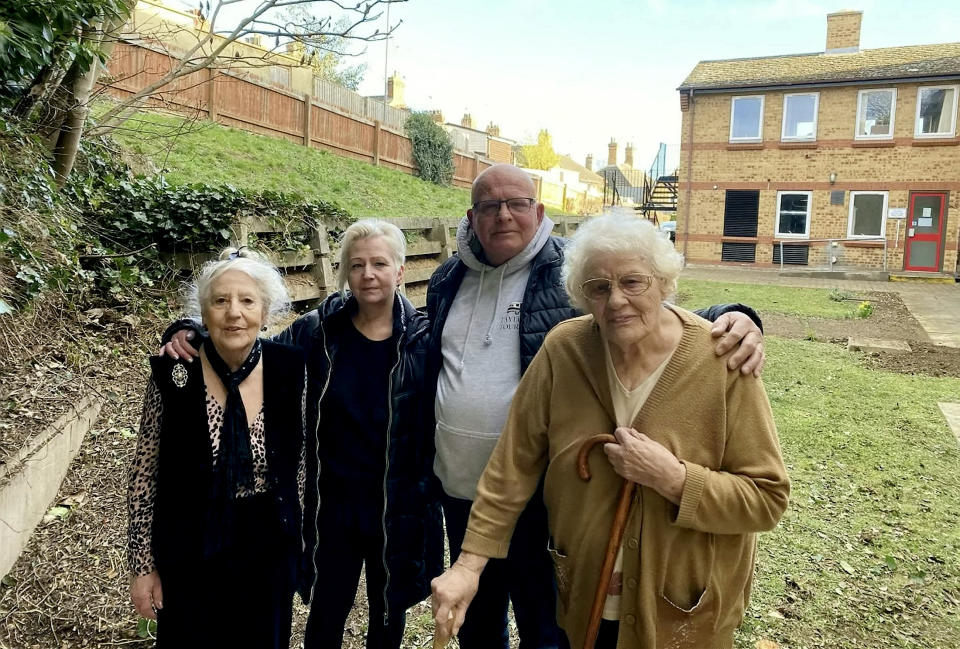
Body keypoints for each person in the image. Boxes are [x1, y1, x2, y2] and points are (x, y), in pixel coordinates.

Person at [425, 164, 766, 649]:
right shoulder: (556, 341)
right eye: (599, 289)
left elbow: (767, 498)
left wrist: (673, 478)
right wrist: (467, 564)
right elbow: (512, 461)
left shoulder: (720, 362)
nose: (616, 300)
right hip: (580, 584)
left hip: (678, 606)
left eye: (634, 283)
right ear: (581, 295)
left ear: (665, 283)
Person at [160, 220, 443, 649]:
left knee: (388, 615)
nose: (368, 274)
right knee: (327, 612)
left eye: (380, 264)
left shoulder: (423, 340)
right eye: (357, 264)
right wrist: (189, 328)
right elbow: (249, 339)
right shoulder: (318, 330)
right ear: (345, 272)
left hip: (396, 504)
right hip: (332, 505)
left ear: (400, 271)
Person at [127, 248, 306, 648]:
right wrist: (142, 567)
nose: (234, 313)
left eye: (247, 301)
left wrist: (303, 545)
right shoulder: (175, 374)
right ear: (202, 314)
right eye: (220, 301)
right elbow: (144, 473)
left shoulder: (290, 369)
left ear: (265, 311)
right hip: (189, 544)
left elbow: (302, 468)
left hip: (268, 545)